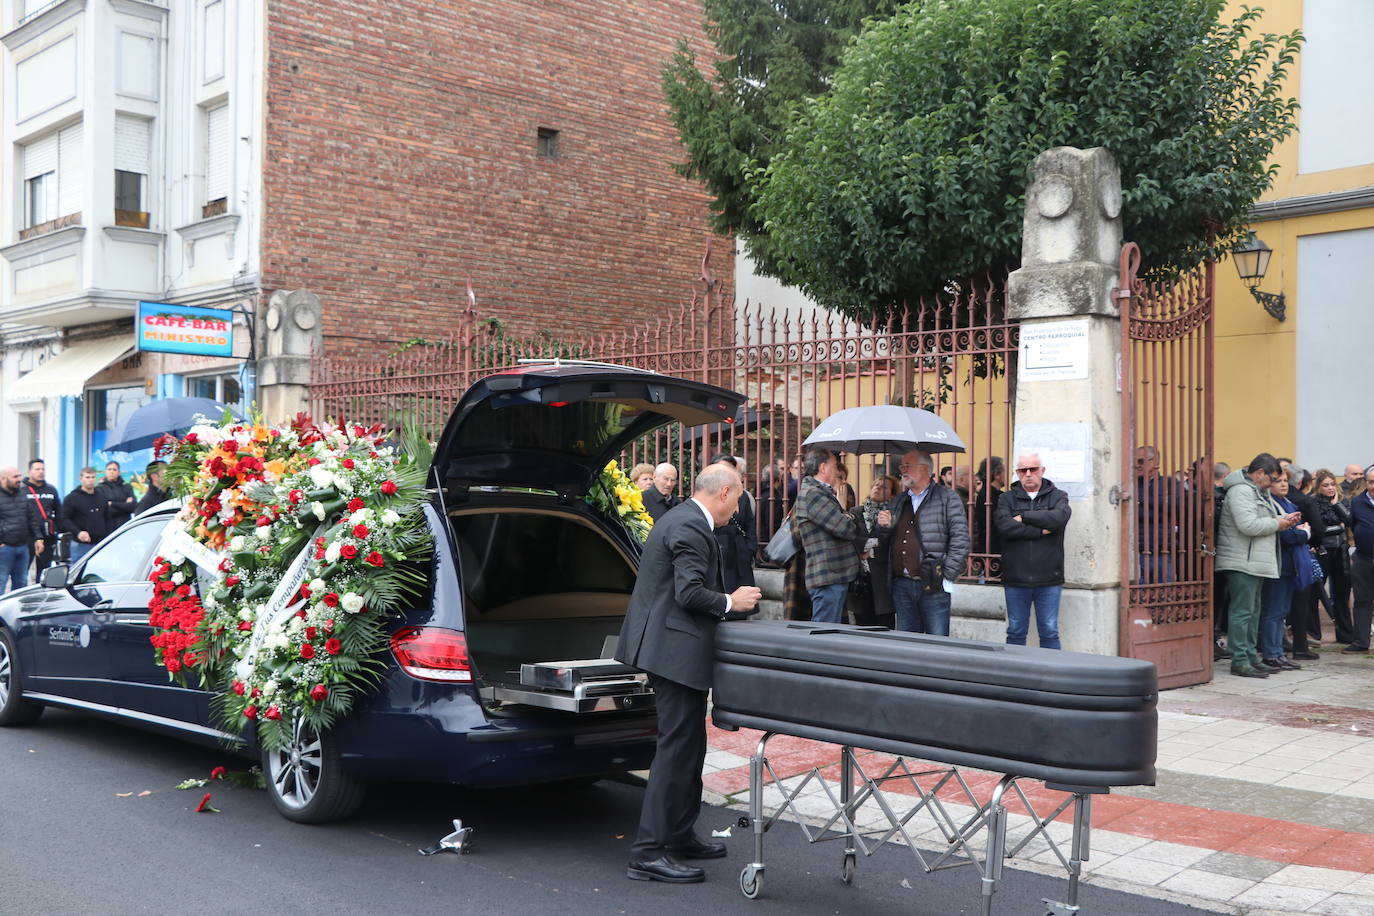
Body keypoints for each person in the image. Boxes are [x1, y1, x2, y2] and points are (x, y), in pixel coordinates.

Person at [615, 463, 762, 884]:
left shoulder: (683, 519)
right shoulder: (690, 527)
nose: (737, 509)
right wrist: (732, 602)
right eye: (736, 499)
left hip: (675, 652)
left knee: (691, 747)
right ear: (723, 492)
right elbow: (689, 592)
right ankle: (647, 852)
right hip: (672, 655)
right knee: (676, 750)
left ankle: (678, 836)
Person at [1215, 454, 1301, 678]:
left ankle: (1251, 656)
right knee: (1242, 612)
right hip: (1242, 561)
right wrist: (1277, 523)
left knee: (1253, 612)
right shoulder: (1241, 491)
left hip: (1255, 560)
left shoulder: (1257, 490)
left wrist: (1285, 519)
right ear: (1260, 473)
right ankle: (1240, 659)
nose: (1273, 483)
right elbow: (1248, 525)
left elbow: (1267, 519)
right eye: (1272, 478)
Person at [875, 450, 970, 636]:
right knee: (907, 643)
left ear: (925, 469)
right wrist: (884, 527)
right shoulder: (899, 501)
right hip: (901, 584)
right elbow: (883, 541)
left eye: (907, 465)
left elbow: (961, 540)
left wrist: (946, 574)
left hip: (933, 583)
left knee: (937, 643)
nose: (902, 470)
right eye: (902, 466)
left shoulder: (947, 498)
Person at [993, 453, 1071, 649]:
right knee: (1016, 631)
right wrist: (1041, 530)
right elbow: (1004, 527)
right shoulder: (1006, 498)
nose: (1028, 474)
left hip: (1049, 578)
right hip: (1016, 578)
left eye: (1033, 469)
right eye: (1022, 470)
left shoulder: (1058, 496)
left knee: (1049, 630)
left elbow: (1059, 519)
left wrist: (1024, 516)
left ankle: (1052, 676)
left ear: (1042, 471)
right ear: (1017, 473)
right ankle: (1015, 676)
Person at [794, 448, 865, 624]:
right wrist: (850, 516)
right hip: (827, 575)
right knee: (823, 633)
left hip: (834, 574)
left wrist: (844, 516)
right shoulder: (813, 494)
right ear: (823, 467)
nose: (837, 469)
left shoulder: (820, 492)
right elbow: (846, 528)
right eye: (834, 465)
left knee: (831, 633)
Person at [1259, 471, 1311, 671]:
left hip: (1290, 565)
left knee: (1282, 611)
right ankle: (1271, 653)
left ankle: (1279, 652)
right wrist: (1304, 534)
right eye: (1278, 481)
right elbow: (1285, 536)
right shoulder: (1270, 504)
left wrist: (1301, 531)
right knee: (1273, 611)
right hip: (1278, 563)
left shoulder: (1288, 502)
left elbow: (1293, 528)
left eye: (1285, 481)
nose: (1283, 484)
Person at [1310, 469, 1355, 646]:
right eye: (1325, 485)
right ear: (1318, 487)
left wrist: (1337, 505)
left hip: (1341, 551)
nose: (1330, 488)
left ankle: (1345, 634)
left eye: (1332, 484)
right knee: (1315, 592)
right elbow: (1318, 528)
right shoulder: (1313, 502)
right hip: (1322, 551)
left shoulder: (1342, 501)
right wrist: (1339, 527)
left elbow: (1350, 521)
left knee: (1342, 592)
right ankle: (1313, 633)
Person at [706, 454, 757, 592]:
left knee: (743, 602)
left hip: (739, 554)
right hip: (717, 552)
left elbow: (750, 525)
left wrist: (749, 549)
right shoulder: (707, 493)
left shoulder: (743, 495)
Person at [854, 475, 899, 628]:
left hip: (883, 580)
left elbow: (891, 543)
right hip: (860, 579)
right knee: (861, 627)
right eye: (876, 484)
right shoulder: (856, 511)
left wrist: (869, 549)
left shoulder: (893, 515)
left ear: (892, 494)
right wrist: (870, 544)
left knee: (884, 626)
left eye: (884, 487)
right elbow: (850, 538)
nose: (878, 488)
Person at [1135, 445, 1179, 584]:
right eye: (1135, 462)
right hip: (1138, 550)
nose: (1137, 465)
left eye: (1141, 461)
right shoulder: (1131, 485)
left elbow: (1176, 506)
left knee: (1164, 595)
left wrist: (1141, 501)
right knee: (1140, 596)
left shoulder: (1170, 483)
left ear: (1155, 462)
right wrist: (1160, 504)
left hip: (1163, 550)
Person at [0, 466, 42, 592]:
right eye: (15, 477)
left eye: (19, 476)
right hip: (4, 548)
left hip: (23, 547)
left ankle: (16, 611)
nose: (19, 479)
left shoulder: (23, 494)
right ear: (3, 479)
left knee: (21, 583)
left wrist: (38, 538)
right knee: (1, 581)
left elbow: (32, 518)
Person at [1347, 466, 1374, 654]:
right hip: (1364, 558)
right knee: (1362, 601)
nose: (1373, 486)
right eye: (1371, 482)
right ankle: (1361, 642)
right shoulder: (1357, 502)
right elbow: (1353, 525)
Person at [62, 467, 113, 565]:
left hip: (100, 543)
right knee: (79, 575)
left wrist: (108, 537)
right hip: (80, 544)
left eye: (93, 477)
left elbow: (108, 519)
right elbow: (65, 519)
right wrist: (78, 532)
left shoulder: (101, 497)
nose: (90, 480)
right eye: (87, 477)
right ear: (81, 479)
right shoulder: (72, 498)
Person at [23, 458, 61, 580]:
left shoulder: (51, 490)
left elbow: (59, 512)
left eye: (43, 469)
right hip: (27, 537)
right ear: (30, 472)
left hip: (47, 537)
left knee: (44, 572)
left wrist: (57, 530)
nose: (41, 472)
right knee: (23, 571)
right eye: (37, 469)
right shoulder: (22, 491)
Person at [1212, 461, 1232, 659]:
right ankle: (1212, 638)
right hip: (1220, 550)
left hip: (1209, 550)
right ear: (1226, 476)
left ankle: (1212, 638)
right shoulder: (1222, 496)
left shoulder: (1204, 494)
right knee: (1218, 597)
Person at [971, 456, 1005, 555]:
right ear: (997, 474)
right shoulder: (990, 496)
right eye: (1005, 471)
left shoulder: (988, 492)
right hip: (992, 549)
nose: (1009, 473)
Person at [98, 460, 137, 530]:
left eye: (114, 469)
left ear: (119, 472)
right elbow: (105, 510)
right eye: (109, 469)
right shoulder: (100, 488)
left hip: (125, 527)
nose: (111, 471)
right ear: (105, 472)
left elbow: (133, 507)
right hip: (107, 528)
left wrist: (112, 504)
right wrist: (125, 506)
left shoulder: (127, 487)